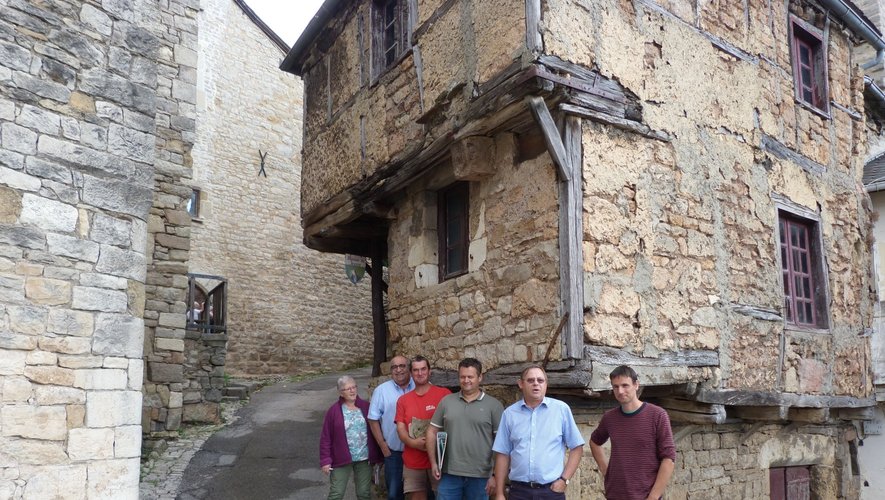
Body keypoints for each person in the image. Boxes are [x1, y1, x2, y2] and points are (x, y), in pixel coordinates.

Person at [492, 365, 584, 500]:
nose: (536, 384)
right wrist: (499, 493)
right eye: (530, 380)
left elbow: (577, 447)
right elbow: (502, 454)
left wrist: (565, 480)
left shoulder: (561, 410)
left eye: (540, 380)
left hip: (551, 491)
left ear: (546, 384)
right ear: (521, 384)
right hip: (519, 492)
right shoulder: (509, 414)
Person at [590, 365, 676, 500]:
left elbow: (669, 459)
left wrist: (653, 497)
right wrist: (606, 470)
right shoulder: (609, 418)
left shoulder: (657, 415)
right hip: (615, 495)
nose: (620, 391)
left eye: (625, 385)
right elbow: (595, 442)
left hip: (645, 495)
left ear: (636, 385)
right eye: (615, 387)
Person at [428, 358, 503, 500]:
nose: (466, 380)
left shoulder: (494, 406)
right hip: (450, 474)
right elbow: (432, 431)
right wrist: (434, 462)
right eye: (462, 377)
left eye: (470, 376)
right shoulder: (447, 402)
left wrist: (494, 475)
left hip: (480, 476)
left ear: (480, 377)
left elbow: (501, 444)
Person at [395, 356, 451, 500]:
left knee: (444, 497)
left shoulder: (444, 394)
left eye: (423, 369)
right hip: (413, 461)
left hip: (441, 460)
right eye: (416, 370)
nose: (420, 373)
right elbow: (400, 429)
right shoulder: (403, 400)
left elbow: (453, 424)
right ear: (411, 373)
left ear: (429, 371)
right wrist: (413, 443)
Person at [319, 375, 382, 500]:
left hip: (364, 458)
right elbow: (326, 437)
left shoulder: (366, 407)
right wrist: (325, 460)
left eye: (354, 387)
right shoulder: (334, 411)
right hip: (341, 459)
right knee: (336, 494)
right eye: (348, 389)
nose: (352, 391)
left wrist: (379, 454)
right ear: (341, 392)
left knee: (364, 494)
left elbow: (376, 430)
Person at [369, 355, 415, 500]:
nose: (398, 370)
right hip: (394, 453)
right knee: (394, 494)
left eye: (402, 366)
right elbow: (373, 419)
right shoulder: (381, 391)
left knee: (421, 492)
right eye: (394, 367)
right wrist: (383, 445)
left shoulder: (420, 386)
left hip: (418, 451)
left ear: (409, 368)